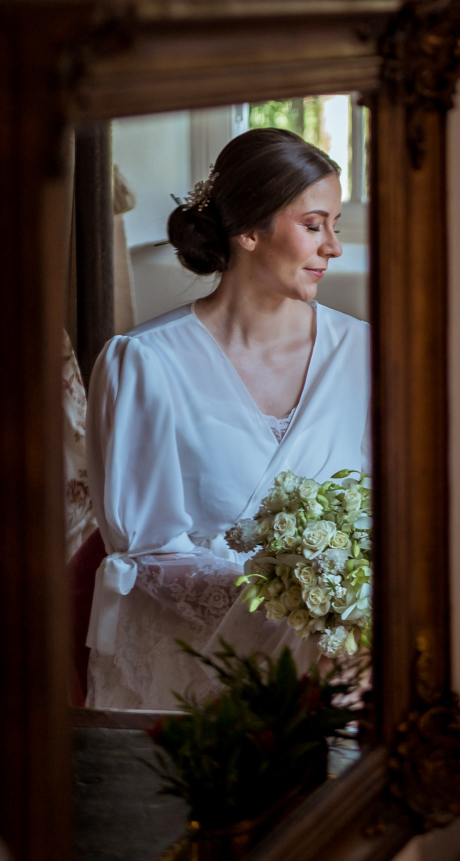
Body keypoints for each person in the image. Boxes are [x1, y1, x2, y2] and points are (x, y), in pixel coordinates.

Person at [84, 127, 371, 709]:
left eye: (335, 226)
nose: (333, 247)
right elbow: (147, 552)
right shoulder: (144, 366)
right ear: (248, 231)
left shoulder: (364, 354)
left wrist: (346, 612)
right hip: (187, 670)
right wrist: (292, 606)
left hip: (338, 670)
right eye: (314, 226)